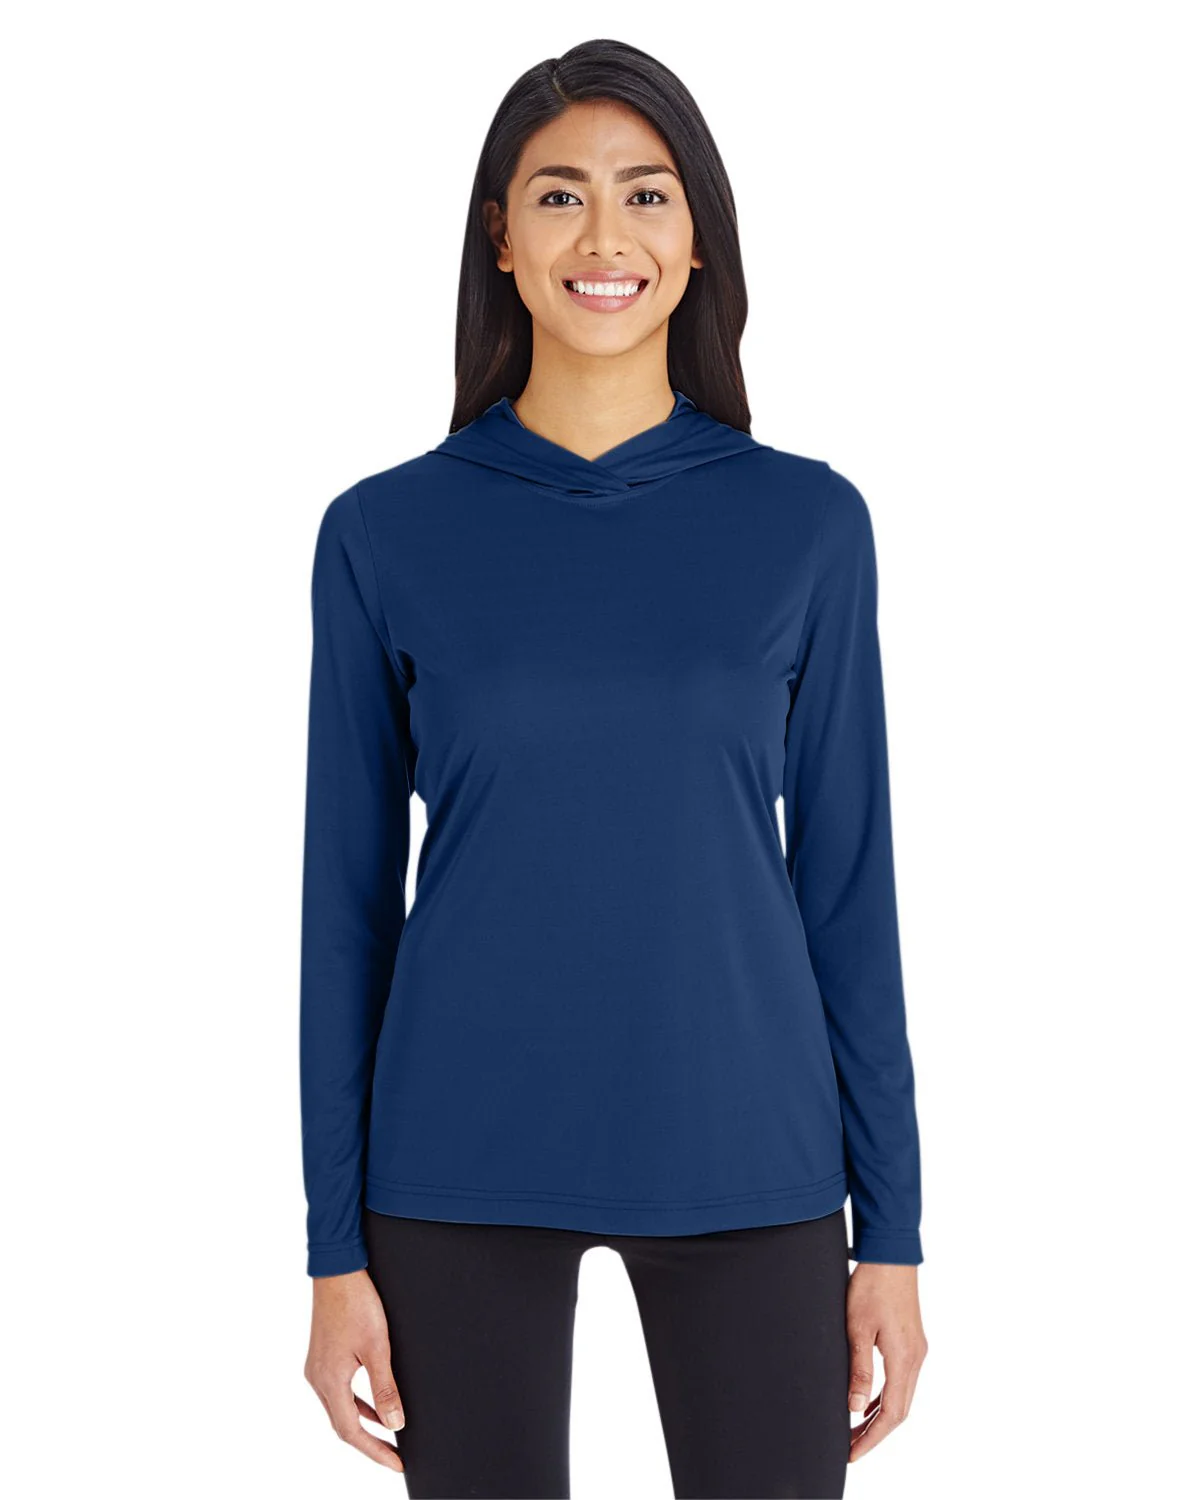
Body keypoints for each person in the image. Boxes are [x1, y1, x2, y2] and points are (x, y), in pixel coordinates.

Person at [299, 37, 928, 1500]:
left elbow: (851, 893)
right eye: (559, 196)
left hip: (750, 1148)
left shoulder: (809, 527)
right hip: (455, 1156)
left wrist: (893, 1233)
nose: (604, 238)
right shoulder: (383, 534)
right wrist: (331, 1251)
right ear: (500, 240)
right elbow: (345, 914)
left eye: (646, 195)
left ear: (698, 240)